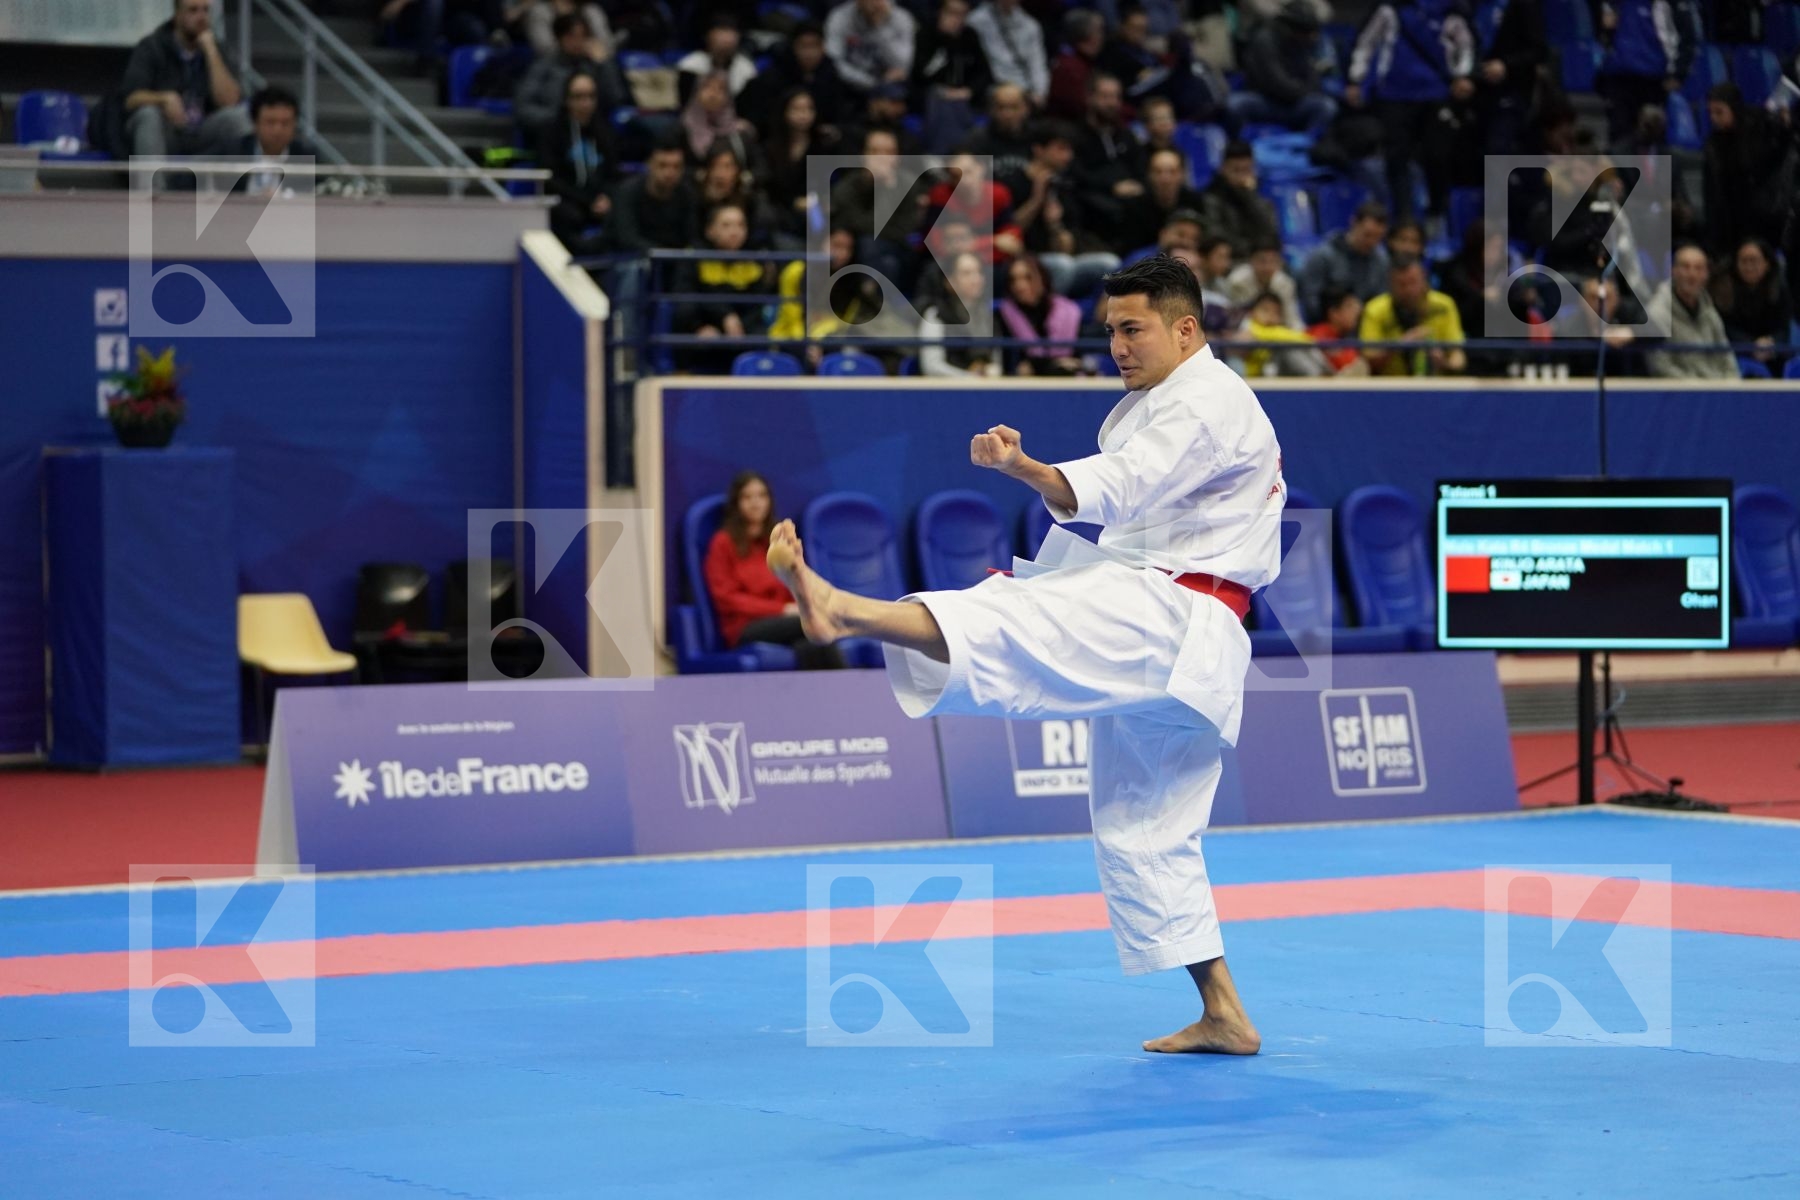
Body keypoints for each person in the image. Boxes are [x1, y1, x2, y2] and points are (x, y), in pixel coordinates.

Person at [763, 254, 1282, 1055]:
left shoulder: (1206, 401)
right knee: (1144, 831)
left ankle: (841, 610)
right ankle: (1225, 1011)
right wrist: (1040, 532)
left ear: (1186, 328)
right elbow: (1116, 507)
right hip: (1194, 642)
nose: (1117, 344)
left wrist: (1023, 467)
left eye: (1133, 327)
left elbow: (1117, 487)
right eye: (1110, 329)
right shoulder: (1156, 404)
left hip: (1171, 613)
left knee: (1009, 621)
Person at [1345, 0, 1476, 221]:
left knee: (1437, 155)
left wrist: (1462, 75)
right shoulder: (1389, 9)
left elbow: (1465, 45)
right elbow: (1367, 42)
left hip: (1435, 94)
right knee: (1397, 158)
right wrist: (1356, 78)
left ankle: (1437, 212)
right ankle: (1403, 219)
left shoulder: (1451, 11)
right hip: (1394, 94)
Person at [705, 472, 846, 669]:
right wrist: (782, 609)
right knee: (813, 624)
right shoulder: (723, 543)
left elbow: (794, 580)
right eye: (747, 497)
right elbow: (727, 599)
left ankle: (830, 696)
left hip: (785, 621)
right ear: (736, 502)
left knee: (812, 644)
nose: (756, 503)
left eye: (762, 496)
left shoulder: (777, 542)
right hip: (744, 627)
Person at [122, 0, 252, 166]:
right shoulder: (153, 46)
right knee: (148, 116)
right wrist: (162, 99)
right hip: (166, 131)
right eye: (193, 10)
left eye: (205, 10)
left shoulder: (217, 49)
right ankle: (152, 190)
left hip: (203, 130)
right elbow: (131, 98)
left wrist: (211, 51)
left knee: (239, 118)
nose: (201, 17)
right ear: (177, 15)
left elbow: (230, 102)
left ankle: (239, 189)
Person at [673, 203, 768, 374]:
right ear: (710, 231)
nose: (735, 231)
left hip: (740, 332)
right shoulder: (694, 257)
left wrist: (739, 327)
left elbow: (756, 307)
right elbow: (687, 299)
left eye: (741, 225)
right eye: (726, 225)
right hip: (705, 327)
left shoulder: (753, 262)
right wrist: (706, 324)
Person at [539, 71, 617, 252]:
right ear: (567, 100)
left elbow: (613, 174)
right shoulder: (552, 132)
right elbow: (551, 180)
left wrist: (607, 196)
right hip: (568, 202)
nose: (585, 103)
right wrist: (587, 201)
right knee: (566, 215)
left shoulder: (605, 132)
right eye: (578, 97)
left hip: (599, 202)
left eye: (591, 96)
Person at [1232, 0, 1337, 132]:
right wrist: (1304, 90)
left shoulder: (1306, 41)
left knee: (1327, 106)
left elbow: (1314, 78)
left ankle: (1309, 145)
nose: (1311, 36)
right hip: (1266, 102)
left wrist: (1306, 89)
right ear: (1288, 27)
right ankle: (1241, 145)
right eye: (1304, 30)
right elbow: (1276, 84)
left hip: (1296, 103)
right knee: (1235, 104)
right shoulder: (1264, 40)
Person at [1359, 253, 1467, 375]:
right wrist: (1399, 345)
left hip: (1436, 386)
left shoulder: (1444, 305)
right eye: (1401, 284)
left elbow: (1458, 355)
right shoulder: (1375, 310)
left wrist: (1445, 363)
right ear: (1390, 284)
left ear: (1424, 279)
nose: (1409, 290)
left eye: (1413, 282)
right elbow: (1369, 361)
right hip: (1391, 387)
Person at [1645, 243, 1741, 380]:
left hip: (1716, 391)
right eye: (1685, 267)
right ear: (1673, 271)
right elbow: (1661, 367)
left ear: (1706, 274)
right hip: (1679, 395)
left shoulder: (1710, 311)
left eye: (1699, 268)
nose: (1692, 274)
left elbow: (1726, 357)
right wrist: (1698, 388)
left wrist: (1732, 386)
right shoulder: (1657, 312)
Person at [911, 0, 993, 154]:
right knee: (943, 102)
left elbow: (985, 73)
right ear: (940, 12)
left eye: (961, 14)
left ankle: (956, 155)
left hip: (963, 96)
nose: (956, 19)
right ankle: (944, 154)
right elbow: (921, 74)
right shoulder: (926, 35)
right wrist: (945, 40)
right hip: (931, 94)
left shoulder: (970, 36)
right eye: (951, 12)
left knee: (955, 105)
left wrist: (968, 91)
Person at [1297, 200, 1391, 322]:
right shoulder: (1322, 257)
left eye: (1378, 238)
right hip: (1328, 330)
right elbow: (1310, 302)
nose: (1371, 242)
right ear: (1354, 223)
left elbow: (1383, 303)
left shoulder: (1382, 261)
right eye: (1367, 235)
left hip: (1369, 328)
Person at [1711, 237, 1793, 369]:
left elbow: (1784, 329)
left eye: (1754, 261)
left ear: (1766, 264)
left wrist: (1771, 342)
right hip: (1734, 354)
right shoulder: (1722, 290)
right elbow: (1722, 328)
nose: (1749, 267)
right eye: (1743, 261)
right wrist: (1751, 345)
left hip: (1772, 354)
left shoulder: (1778, 288)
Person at [998, 254, 1086, 376]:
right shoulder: (1004, 314)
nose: (1020, 286)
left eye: (1028, 278)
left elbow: (1078, 360)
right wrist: (1054, 364)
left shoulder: (1069, 311)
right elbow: (1016, 365)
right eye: (1013, 280)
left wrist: (1038, 365)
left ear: (1042, 278)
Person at [919, 251, 1001, 377]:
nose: (976, 279)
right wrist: (969, 378)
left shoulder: (987, 315)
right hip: (948, 392)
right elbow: (932, 367)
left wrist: (992, 371)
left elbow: (996, 361)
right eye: (966, 273)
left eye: (979, 272)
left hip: (984, 390)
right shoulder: (936, 314)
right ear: (949, 281)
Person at [1197, 140, 1282, 262]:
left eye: (1246, 170)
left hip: (1259, 261)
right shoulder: (1210, 199)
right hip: (1229, 262)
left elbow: (1271, 233)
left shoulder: (1259, 198)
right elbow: (1216, 238)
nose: (1242, 177)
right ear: (1223, 169)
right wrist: (1253, 251)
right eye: (1236, 170)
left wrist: (1249, 196)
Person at [824, 0, 918, 101]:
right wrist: (872, 83)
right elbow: (833, 62)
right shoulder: (839, 17)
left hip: (887, 87)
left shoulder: (901, 18)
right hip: (849, 86)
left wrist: (879, 26)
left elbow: (902, 66)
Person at [236, 86, 317, 197]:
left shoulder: (307, 158)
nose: (277, 130)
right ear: (255, 123)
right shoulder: (234, 151)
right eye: (270, 122)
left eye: (285, 123)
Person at [969, 0, 1051, 110]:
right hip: (992, 87)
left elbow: (1037, 64)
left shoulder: (1030, 25)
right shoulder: (975, 21)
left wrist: (1040, 92)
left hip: (1024, 90)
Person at [1225, 240, 1304, 330]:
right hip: (1245, 331)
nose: (1268, 267)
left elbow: (1292, 318)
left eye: (1273, 261)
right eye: (1262, 261)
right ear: (1251, 261)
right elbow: (1235, 318)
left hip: (1277, 332)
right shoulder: (1237, 282)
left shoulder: (1286, 284)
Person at [1307, 288, 1371, 375]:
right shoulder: (1318, 335)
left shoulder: (1346, 338)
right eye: (1349, 306)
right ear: (1334, 313)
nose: (1357, 310)